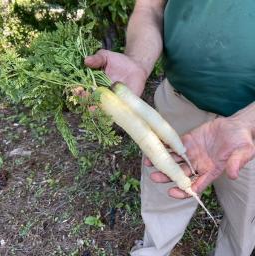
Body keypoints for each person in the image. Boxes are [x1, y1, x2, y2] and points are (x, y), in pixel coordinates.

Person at [85, 1, 255, 255]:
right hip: (177, 103)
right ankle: (153, 250)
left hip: (249, 126)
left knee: (246, 214)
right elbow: (149, 8)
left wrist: (247, 122)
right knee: (162, 196)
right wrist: (139, 63)